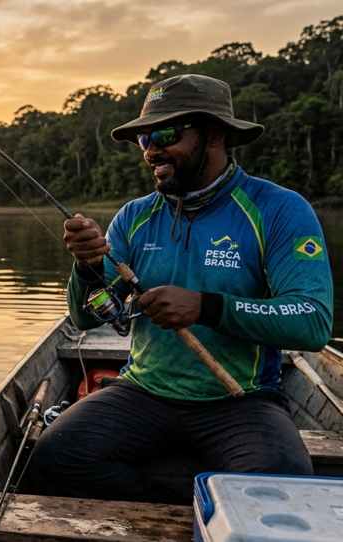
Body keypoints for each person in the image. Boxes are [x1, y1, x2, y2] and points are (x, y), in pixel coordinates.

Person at [32, 74, 334, 504]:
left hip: (241, 399)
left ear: (215, 134)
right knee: (56, 455)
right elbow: (86, 317)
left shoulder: (278, 209)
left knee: (283, 481)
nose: (151, 149)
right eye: (145, 138)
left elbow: (312, 321)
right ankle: (178, 512)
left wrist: (205, 307)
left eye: (167, 134)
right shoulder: (134, 217)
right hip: (143, 391)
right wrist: (87, 268)